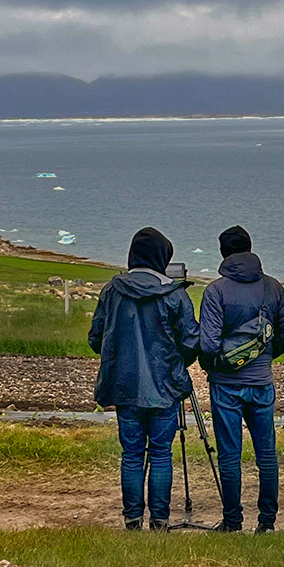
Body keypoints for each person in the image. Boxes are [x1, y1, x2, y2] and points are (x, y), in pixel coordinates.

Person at [88, 227, 199, 531]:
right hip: (165, 387)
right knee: (162, 453)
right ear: (163, 258)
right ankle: (160, 521)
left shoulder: (112, 290)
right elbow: (192, 341)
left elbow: (96, 338)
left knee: (132, 454)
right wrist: (177, 364)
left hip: (124, 386)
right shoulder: (174, 294)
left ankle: (132, 519)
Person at [194, 226, 284, 533]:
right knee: (266, 453)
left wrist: (223, 362)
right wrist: (261, 357)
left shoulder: (215, 291)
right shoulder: (273, 288)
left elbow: (209, 344)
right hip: (262, 382)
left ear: (223, 253)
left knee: (229, 455)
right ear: (250, 249)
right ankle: (267, 522)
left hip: (225, 384)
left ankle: (232, 521)